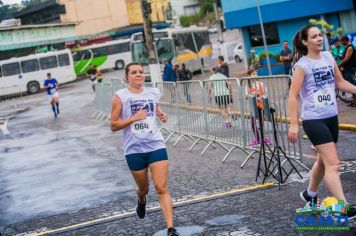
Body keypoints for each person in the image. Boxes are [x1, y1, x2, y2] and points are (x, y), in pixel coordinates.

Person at [288, 25, 356, 219]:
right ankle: (343, 207)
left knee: (323, 160)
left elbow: (340, 83)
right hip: (313, 119)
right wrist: (294, 124)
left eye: (320, 35)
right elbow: (293, 96)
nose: (319, 39)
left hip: (331, 117)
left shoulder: (327, 56)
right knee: (333, 164)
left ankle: (309, 194)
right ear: (304, 42)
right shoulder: (302, 65)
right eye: (314, 36)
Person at [110, 62, 179, 236]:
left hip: (156, 145)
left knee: (161, 187)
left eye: (141, 72)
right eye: (134, 72)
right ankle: (141, 200)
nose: (139, 74)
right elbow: (113, 125)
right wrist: (133, 118)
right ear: (127, 77)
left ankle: (171, 229)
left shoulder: (153, 92)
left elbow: (156, 111)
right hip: (134, 150)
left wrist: (162, 115)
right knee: (144, 189)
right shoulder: (120, 96)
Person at [244, 69, 270, 146]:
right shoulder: (248, 86)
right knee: (253, 123)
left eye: (256, 74)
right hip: (253, 107)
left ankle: (263, 139)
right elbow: (245, 97)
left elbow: (265, 94)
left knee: (261, 123)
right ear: (249, 76)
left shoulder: (261, 84)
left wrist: (260, 95)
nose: (255, 75)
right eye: (253, 74)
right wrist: (252, 94)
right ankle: (258, 139)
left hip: (261, 106)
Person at [339, 35, 356, 107]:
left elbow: (346, 59)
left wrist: (338, 65)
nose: (341, 42)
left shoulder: (350, 48)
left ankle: (355, 100)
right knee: (350, 84)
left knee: (352, 85)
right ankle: (354, 100)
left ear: (345, 40)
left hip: (350, 69)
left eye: (341, 41)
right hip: (347, 69)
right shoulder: (347, 47)